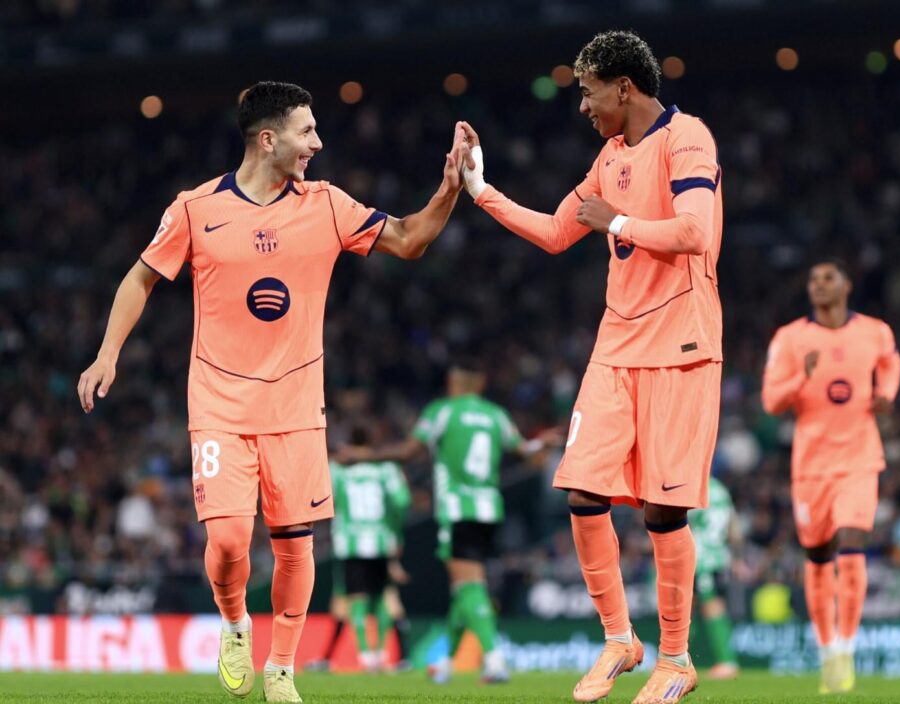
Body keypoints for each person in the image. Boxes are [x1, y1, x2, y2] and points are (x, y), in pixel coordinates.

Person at [77, 81, 464, 702]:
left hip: (296, 408)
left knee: (294, 547)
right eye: (306, 131)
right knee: (229, 539)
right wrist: (107, 354)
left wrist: (448, 190)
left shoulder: (327, 205)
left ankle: (282, 668)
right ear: (268, 139)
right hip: (219, 405)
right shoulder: (195, 209)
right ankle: (235, 623)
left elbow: (408, 239)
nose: (318, 143)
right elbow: (140, 278)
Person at [457, 29, 723, 704]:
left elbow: (694, 232)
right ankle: (619, 639)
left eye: (588, 91)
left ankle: (676, 658)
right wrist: (480, 188)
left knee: (664, 511)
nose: (583, 105)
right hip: (616, 348)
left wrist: (619, 223)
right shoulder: (609, 158)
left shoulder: (687, 138)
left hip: (681, 347)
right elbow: (555, 232)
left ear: (623, 87)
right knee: (581, 492)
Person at [341, 359, 555, 684]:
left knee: (470, 585)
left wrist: (364, 456)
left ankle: (494, 658)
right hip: (489, 510)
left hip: (458, 510)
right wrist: (543, 444)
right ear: (480, 385)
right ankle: (447, 662)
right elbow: (527, 451)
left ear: (454, 383)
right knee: (463, 588)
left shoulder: (442, 411)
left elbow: (408, 451)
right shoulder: (495, 415)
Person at [761, 258, 900, 693]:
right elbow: (771, 401)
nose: (819, 285)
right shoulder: (790, 338)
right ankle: (826, 651)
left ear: (846, 285)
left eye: (828, 278)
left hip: (860, 458)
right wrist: (799, 379)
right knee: (819, 559)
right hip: (811, 467)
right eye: (813, 280)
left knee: (853, 543)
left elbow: (891, 363)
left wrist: (886, 393)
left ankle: (846, 648)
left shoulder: (875, 331)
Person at [329, 426, 411, 673]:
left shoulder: (339, 469)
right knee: (384, 596)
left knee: (357, 598)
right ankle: (381, 651)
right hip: (381, 539)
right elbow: (402, 501)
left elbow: (324, 498)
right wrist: (395, 532)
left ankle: (366, 655)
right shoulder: (386, 468)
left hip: (350, 542)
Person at [688, 475, 740, 680]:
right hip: (719, 555)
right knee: (695, 605)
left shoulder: (693, 485)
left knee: (706, 606)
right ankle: (676, 658)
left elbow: (681, 522)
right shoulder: (720, 489)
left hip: (700, 557)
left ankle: (727, 661)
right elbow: (733, 528)